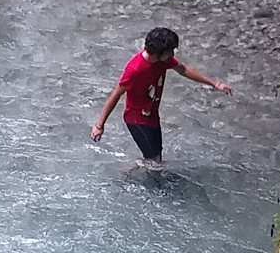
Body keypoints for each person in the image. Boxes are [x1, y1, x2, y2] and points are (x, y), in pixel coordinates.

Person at [90, 27, 233, 163]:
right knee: (154, 160)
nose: (173, 55)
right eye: (170, 51)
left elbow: (183, 70)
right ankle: (127, 180)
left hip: (152, 116)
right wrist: (99, 125)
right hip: (136, 119)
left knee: (155, 157)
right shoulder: (135, 69)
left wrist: (215, 84)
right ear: (159, 52)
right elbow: (116, 94)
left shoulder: (163, 60)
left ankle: (131, 173)